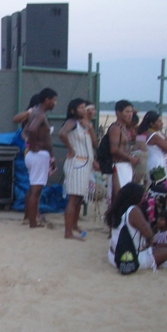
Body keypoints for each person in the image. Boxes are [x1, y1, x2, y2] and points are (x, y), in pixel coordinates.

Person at [105, 182, 167, 271]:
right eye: (143, 196)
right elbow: (149, 234)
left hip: (113, 256)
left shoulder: (115, 209)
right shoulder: (133, 211)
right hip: (129, 259)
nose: (144, 198)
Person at [59, 98, 97, 240]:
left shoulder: (85, 125)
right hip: (77, 162)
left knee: (80, 198)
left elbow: (94, 143)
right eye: (80, 107)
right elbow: (62, 133)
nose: (84, 109)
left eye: (84, 107)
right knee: (73, 198)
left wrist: (90, 128)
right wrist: (71, 149)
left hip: (85, 163)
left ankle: (74, 225)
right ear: (73, 110)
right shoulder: (72, 123)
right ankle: (68, 232)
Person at [24, 88, 57, 228]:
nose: (55, 104)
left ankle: (30, 218)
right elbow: (31, 130)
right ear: (47, 100)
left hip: (36, 154)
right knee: (36, 190)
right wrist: (34, 146)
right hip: (38, 154)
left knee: (34, 189)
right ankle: (32, 222)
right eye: (54, 100)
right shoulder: (40, 115)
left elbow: (26, 130)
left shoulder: (35, 113)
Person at [108, 100, 141, 203]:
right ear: (118, 113)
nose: (130, 114)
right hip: (118, 166)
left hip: (125, 166)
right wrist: (130, 158)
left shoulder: (124, 128)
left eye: (131, 111)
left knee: (125, 199)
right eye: (127, 112)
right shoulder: (115, 128)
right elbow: (113, 149)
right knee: (119, 198)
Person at [138, 110, 167, 193]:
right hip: (157, 164)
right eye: (159, 121)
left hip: (153, 161)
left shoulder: (145, 133)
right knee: (159, 187)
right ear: (152, 124)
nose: (161, 123)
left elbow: (139, 145)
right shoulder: (154, 135)